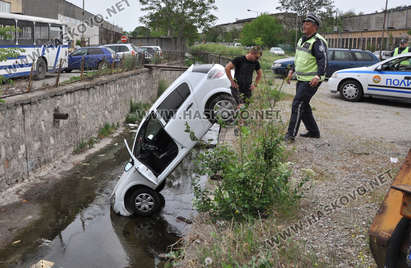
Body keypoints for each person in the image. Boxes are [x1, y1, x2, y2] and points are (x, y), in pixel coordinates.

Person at [284, 13, 328, 143]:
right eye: (304, 23)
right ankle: (313, 131)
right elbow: (298, 58)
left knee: (297, 104)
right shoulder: (302, 39)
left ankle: (290, 135)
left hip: (311, 80)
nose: (304, 25)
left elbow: (323, 61)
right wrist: (291, 70)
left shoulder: (318, 41)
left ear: (315, 26)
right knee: (304, 105)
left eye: (307, 23)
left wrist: (318, 76)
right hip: (301, 79)